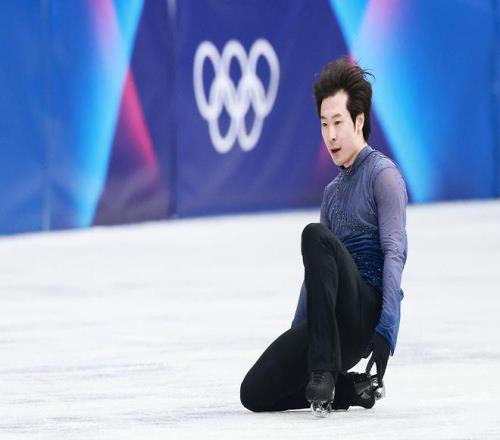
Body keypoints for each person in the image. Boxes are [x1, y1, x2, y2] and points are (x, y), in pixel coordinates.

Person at [240, 56, 408, 413]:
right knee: (253, 394)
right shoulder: (331, 193)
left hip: (363, 314)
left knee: (314, 235)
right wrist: (297, 333)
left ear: (359, 121)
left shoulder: (383, 176)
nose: (330, 135)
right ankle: (348, 389)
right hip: (329, 333)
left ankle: (322, 371)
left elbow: (395, 253)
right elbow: (314, 276)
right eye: (323, 124)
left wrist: (386, 331)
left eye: (338, 123)